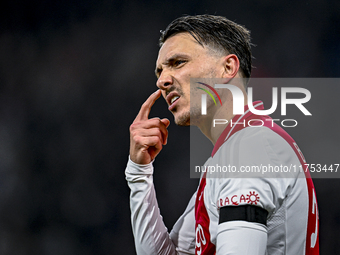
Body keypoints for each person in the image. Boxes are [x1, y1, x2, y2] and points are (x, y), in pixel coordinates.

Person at [125, 14, 319, 255]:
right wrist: (139, 172)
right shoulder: (234, 151)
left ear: (228, 68)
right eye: (159, 72)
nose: (162, 80)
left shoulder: (249, 148)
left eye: (178, 62)